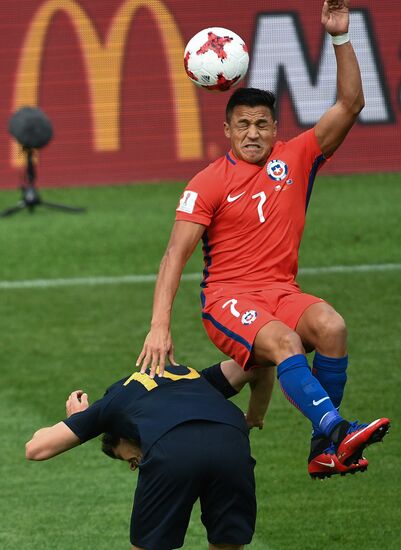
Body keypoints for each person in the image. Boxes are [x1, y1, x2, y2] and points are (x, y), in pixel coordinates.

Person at [136, 0, 390, 479]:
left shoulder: (296, 158)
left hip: (281, 292)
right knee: (286, 342)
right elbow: (175, 255)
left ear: (276, 128)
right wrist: (159, 324)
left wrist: (339, 37)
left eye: (262, 124)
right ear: (227, 130)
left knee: (332, 327)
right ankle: (337, 431)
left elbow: (352, 104)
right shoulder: (206, 183)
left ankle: (324, 450)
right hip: (228, 300)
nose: (252, 133)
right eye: (243, 125)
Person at [25, 362, 257, 550]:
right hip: (232, 444)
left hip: (173, 452)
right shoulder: (193, 377)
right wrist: (256, 416)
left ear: (122, 435)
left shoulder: (113, 404)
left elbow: (35, 448)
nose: (136, 466)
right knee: (228, 544)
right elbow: (255, 364)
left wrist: (78, 420)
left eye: (132, 461)